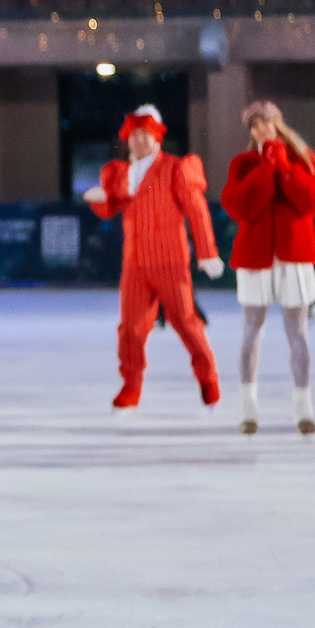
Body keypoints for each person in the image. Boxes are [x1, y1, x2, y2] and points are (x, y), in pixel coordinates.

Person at [84, 104, 224, 413]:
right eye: (133, 135)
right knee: (131, 329)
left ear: (157, 137)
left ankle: (208, 378)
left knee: (187, 324)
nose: (138, 141)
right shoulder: (122, 173)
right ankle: (131, 385)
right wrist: (99, 201)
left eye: (144, 134)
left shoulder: (175, 168)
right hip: (135, 265)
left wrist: (207, 252)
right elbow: (112, 208)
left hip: (170, 263)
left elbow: (196, 210)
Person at [223, 100, 315, 434]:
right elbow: (239, 206)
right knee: (251, 332)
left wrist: (285, 168)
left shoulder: (303, 158)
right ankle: (248, 408)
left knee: (297, 333)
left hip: (293, 255)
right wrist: (265, 171)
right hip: (256, 257)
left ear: (278, 123)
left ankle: (303, 409)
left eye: (265, 122)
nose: (260, 129)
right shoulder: (243, 163)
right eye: (254, 125)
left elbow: (314, 200)